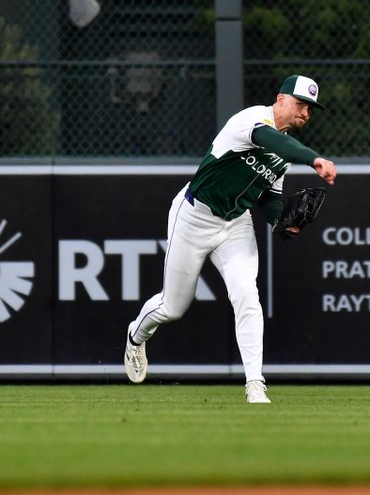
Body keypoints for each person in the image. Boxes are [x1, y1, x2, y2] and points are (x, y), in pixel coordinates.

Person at [123, 75, 336, 404]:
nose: (305, 112)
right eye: (300, 103)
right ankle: (136, 335)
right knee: (173, 307)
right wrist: (313, 159)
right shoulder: (252, 120)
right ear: (280, 99)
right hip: (194, 216)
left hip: (235, 224)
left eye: (310, 108)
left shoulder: (284, 156)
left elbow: (268, 199)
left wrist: (283, 220)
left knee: (247, 296)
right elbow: (275, 142)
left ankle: (255, 384)